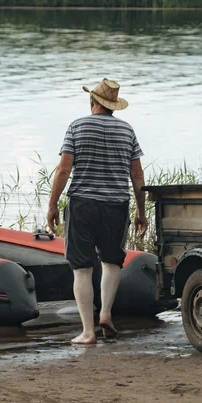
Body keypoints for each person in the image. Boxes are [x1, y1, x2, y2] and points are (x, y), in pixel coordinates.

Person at [46, 78, 147, 345]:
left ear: (92, 102)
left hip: (82, 205)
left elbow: (64, 170)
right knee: (112, 262)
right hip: (116, 205)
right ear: (113, 106)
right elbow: (136, 174)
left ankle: (88, 332)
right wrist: (141, 210)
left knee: (81, 269)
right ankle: (105, 314)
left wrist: (52, 205)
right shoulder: (127, 131)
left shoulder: (77, 126)